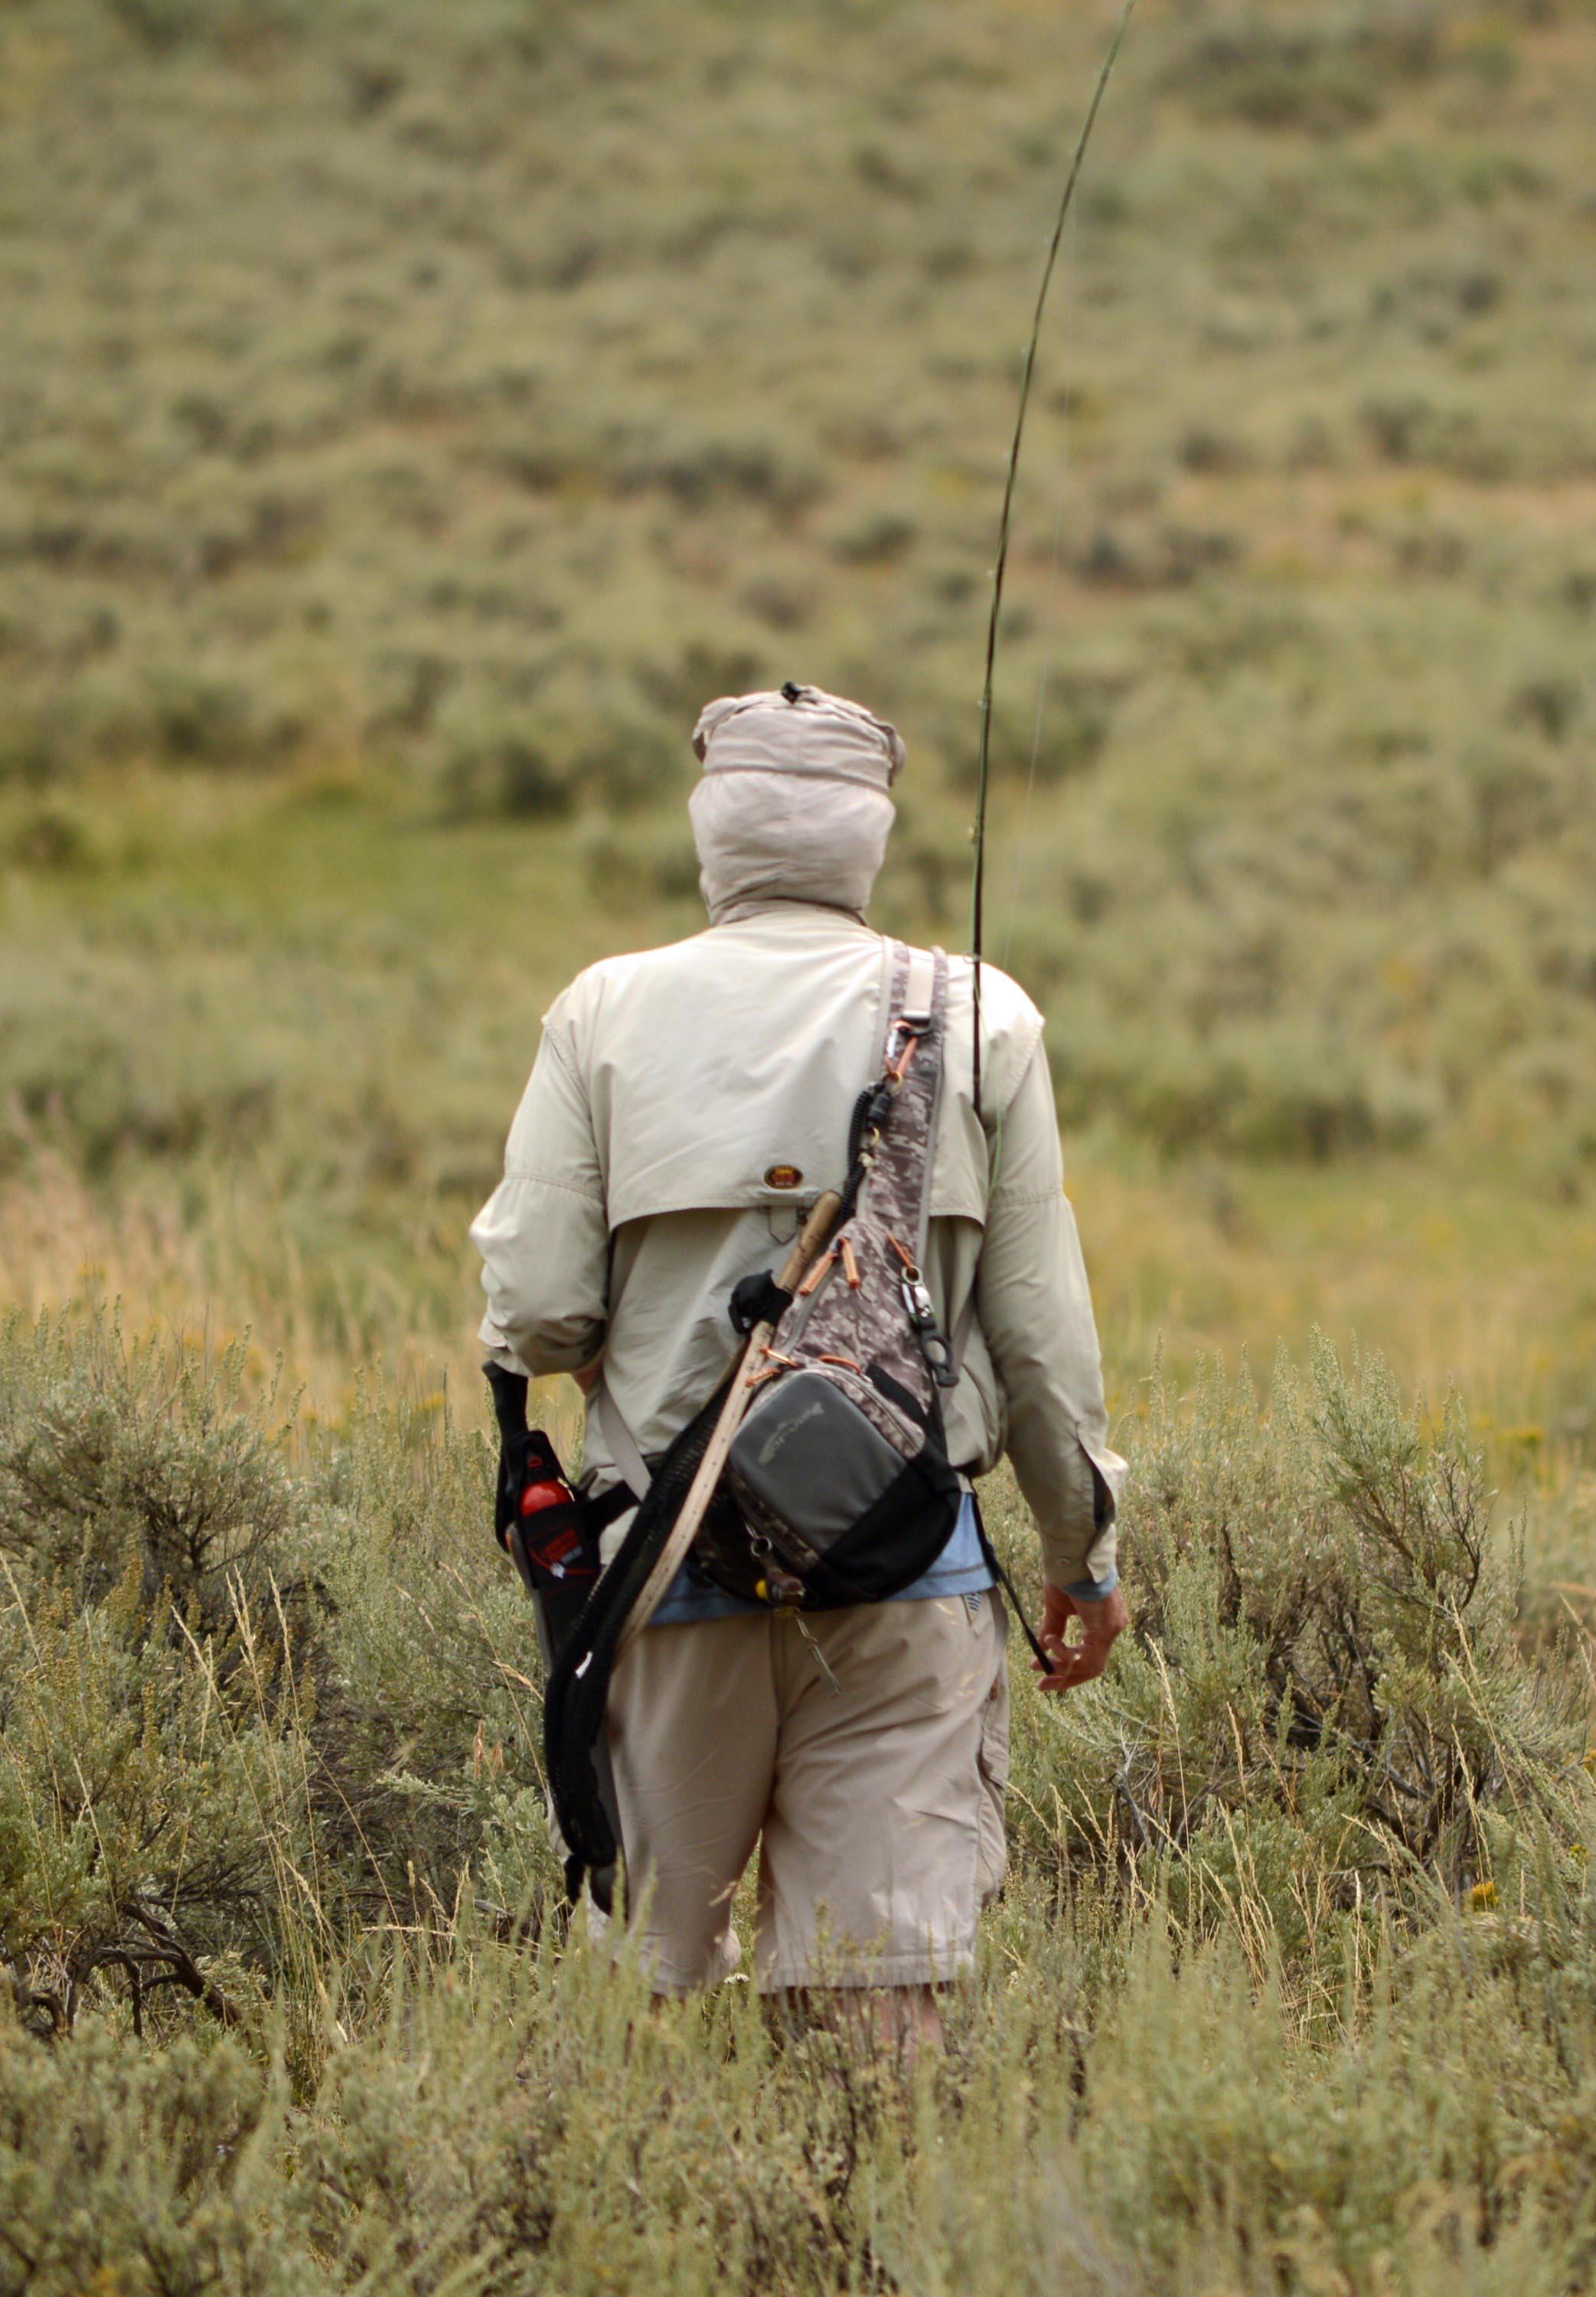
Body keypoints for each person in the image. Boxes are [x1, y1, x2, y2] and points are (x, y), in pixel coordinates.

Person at [470, 681, 1126, 2043]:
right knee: (882, 2028)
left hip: (663, 1571)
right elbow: (1043, 1342)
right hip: (904, 1585)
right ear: (869, 839)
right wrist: (1083, 1559)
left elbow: (533, 1319)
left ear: (714, 829)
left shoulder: (602, 1012)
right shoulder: (979, 1015)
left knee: (638, 2020)